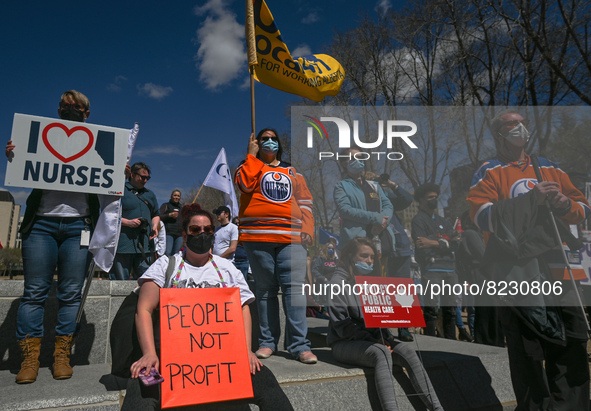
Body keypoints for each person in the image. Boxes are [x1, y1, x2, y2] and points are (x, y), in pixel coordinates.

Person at [467, 110, 591, 409]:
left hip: (560, 271)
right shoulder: (488, 171)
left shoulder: (550, 167)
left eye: (523, 123)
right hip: (518, 276)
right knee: (528, 351)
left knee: (572, 344)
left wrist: (563, 203)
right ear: (499, 134)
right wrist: (530, 201)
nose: (520, 129)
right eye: (513, 124)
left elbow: (583, 209)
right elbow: (482, 218)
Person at [122, 204, 293, 411]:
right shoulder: (166, 265)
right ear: (185, 236)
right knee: (141, 385)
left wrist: (245, 351)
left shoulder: (227, 268)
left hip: (222, 360)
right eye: (195, 230)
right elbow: (144, 310)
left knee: (265, 380)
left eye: (208, 230)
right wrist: (149, 353)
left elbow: (243, 308)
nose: (202, 234)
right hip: (168, 360)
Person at [8, 90, 97, 383]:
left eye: (76, 106)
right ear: (58, 111)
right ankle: (29, 359)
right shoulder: (38, 138)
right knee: (34, 292)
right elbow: (22, 167)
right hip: (41, 225)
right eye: (64, 105)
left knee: (71, 293)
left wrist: (118, 173)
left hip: (78, 227)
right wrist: (15, 156)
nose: (69, 109)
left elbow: (108, 184)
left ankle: (62, 355)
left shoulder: (99, 144)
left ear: (86, 114)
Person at [327, 237, 443, 411]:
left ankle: (437, 408)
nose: (370, 261)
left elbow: (380, 318)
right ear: (351, 256)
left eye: (372, 257)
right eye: (364, 256)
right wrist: (373, 340)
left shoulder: (372, 282)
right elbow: (343, 327)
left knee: (408, 350)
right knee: (381, 352)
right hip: (344, 343)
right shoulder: (337, 283)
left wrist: (401, 314)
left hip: (373, 340)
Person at [234, 128, 316, 364]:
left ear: (279, 144)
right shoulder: (247, 166)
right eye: (263, 139)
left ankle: (299, 346)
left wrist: (307, 229)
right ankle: (268, 343)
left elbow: (305, 200)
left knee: (295, 291)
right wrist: (251, 156)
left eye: (273, 139)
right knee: (265, 290)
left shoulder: (292, 171)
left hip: (291, 237)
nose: (269, 142)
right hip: (258, 237)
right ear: (257, 144)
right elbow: (245, 186)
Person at [411, 183, 460, 340]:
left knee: (450, 309)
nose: (434, 200)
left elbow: (456, 241)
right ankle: (430, 341)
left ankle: (452, 342)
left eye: (436, 197)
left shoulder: (443, 220)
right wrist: (445, 240)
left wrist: (434, 241)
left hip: (450, 269)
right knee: (431, 309)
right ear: (421, 199)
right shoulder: (418, 220)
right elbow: (421, 245)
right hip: (431, 269)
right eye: (430, 197)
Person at [374, 173, 415, 342]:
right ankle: (383, 328)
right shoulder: (370, 200)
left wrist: (391, 184)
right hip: (382, 249)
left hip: (401, 248)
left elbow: (407, 199)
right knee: (383, 289)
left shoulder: (389, 197)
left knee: (402, 289)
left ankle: (403, 327)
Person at [110, 162, 159, 280]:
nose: (145, 180)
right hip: (123, 244)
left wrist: (154, 226)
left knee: (147, 281)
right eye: (142, 177)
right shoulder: (120, 190)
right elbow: (108, 214)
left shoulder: (150, 194)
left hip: (145, 246)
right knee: (120, 282)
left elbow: (156, 214)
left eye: (147, 178)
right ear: (132, 175)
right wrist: (126, 222)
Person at [158, 189, 183, 256]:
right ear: (171, 196)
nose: (176, 197)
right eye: (175, 195)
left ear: (180, 198)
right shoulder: (165, 205)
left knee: (177, 254)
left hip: (180, 235)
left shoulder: (181, 207)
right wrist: (169, 215)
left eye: (178, 196)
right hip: (168, 233)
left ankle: (174, 266)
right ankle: (166, 266)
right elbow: (159, 216)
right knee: (167, 253)